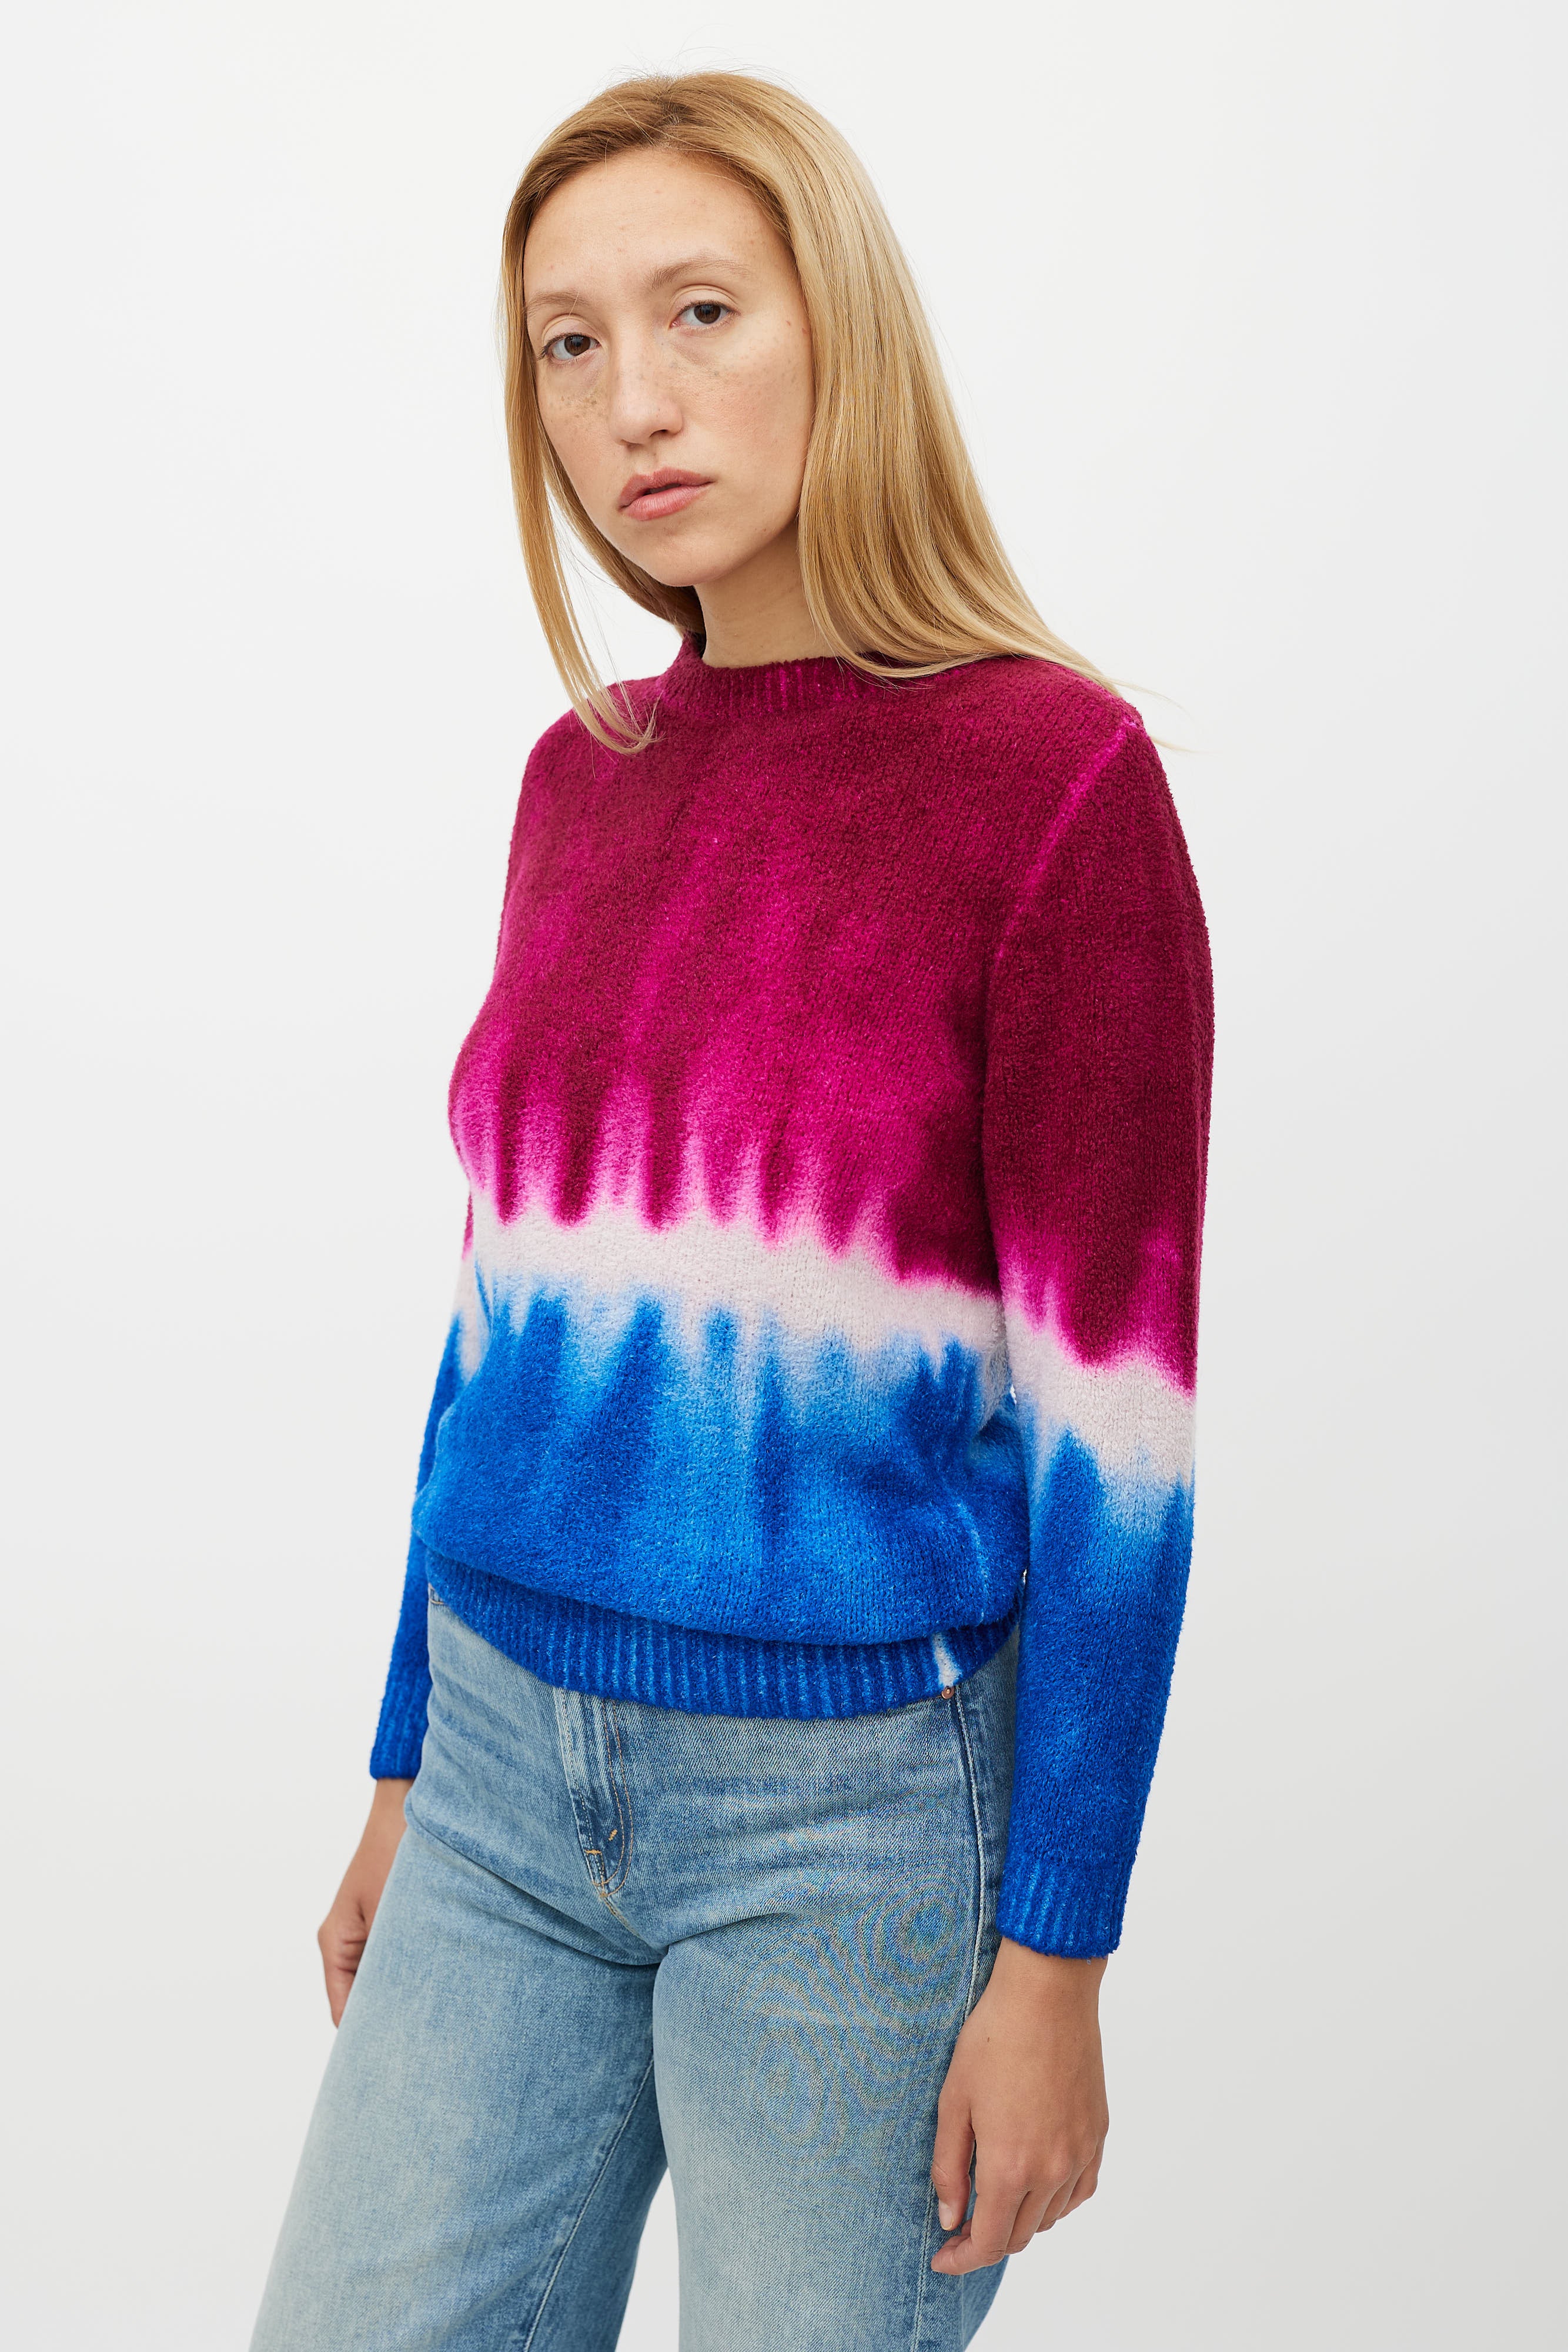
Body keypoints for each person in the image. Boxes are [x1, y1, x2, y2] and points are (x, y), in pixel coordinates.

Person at [250, 69, 1213, 2352]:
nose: (631, 401)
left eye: (698, 310)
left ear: (836, 329)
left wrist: (1057, 1955)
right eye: (566, 344)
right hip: (497, 1778)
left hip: (847, 1836)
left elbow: (1122, 1443)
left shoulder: (1054, 784)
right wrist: (403, 1759)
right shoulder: (578, 783)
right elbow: (500, 1323)